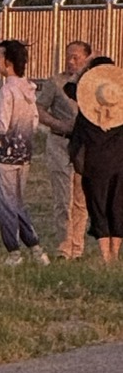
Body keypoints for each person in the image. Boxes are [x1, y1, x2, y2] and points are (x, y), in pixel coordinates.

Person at [0, 38, 48, 267]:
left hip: (6, 154)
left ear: (8, 61)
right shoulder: (28, 89)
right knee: (18, 202)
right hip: (24, 154)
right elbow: (33, 123)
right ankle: (36, 248)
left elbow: (0, 126)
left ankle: (14, 252)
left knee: (5, 204)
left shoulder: (8, 90)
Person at [37, 39, 90, 259]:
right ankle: (63, 245)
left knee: (81, 197)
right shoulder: (56, 82)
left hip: (85, 145)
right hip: (61, 141)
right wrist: (58, 124)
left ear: (86, 59)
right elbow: (39, 109)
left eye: (76, 57)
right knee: (63, 195)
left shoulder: (93, 83)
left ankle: (77, 247)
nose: (71, 61)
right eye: (68, 56)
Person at [72, 59, 123, 266]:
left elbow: (69, 89)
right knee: (117, 207)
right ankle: (115, 254)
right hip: (120, 165)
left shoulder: (86, 115)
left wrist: (83, 71)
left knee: (98, 207)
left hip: (94, 166)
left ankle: (105, 256)